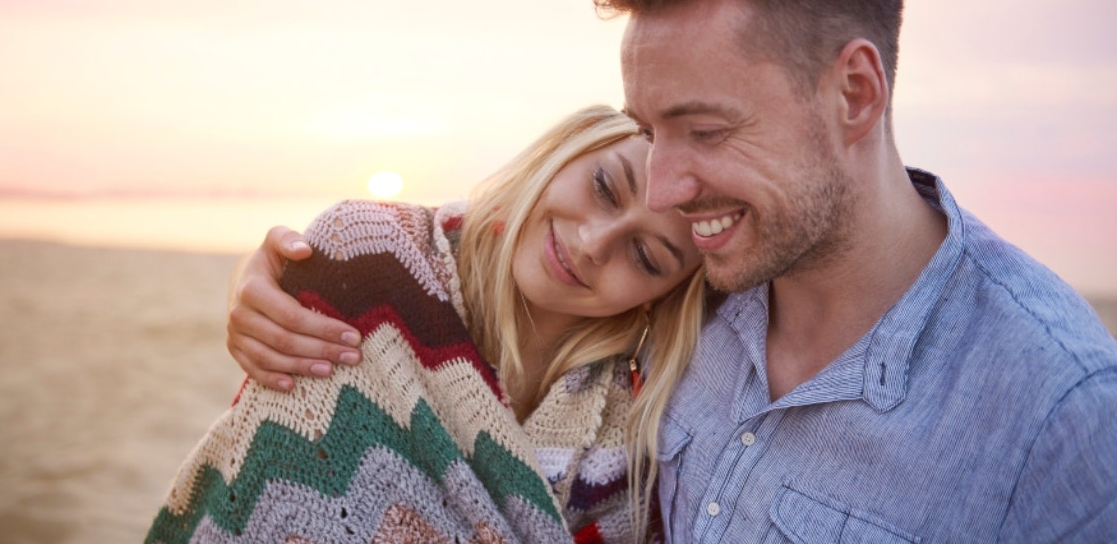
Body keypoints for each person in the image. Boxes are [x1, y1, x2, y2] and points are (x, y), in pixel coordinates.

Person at [227, 0, 1117, 541]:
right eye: (647, 130)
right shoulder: (704, 284)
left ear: (854, 92)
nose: (663, 188)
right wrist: (313, 262)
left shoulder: (1057, 411)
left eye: (703, 130)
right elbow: (486, 250)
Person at [146, 105, 710, 543]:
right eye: (604, 188)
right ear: (567, 147)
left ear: (665, 295)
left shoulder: (635, 435)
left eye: (646, 258)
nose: (592, 244)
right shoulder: (366, 259)